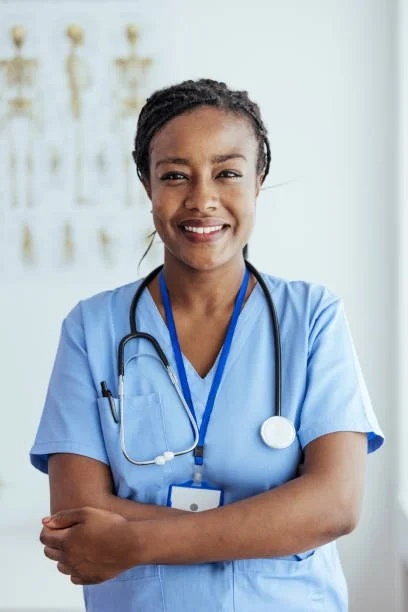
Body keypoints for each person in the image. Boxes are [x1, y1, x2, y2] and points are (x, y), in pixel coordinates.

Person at [30, 78, 384, 612]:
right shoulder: (91, 327)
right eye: (175, 175)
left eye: (227, 173)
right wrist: (269, 523)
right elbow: (77, 517)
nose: (202, 200)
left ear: (258, 180)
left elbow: (335, 505)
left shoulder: (312, 318)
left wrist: (135, 539)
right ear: (147, 185)